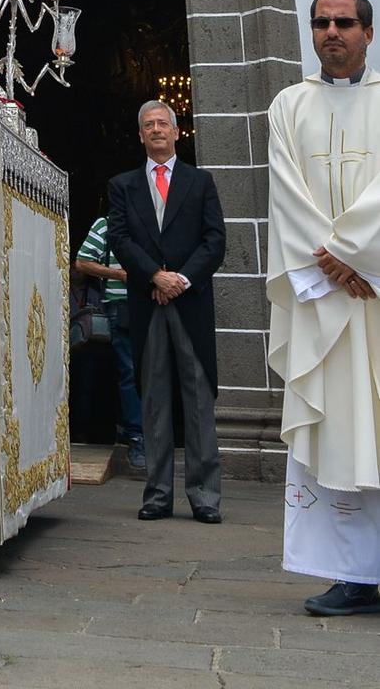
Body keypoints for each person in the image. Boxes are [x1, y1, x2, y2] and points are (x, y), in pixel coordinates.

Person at [267, 0, 380, 616]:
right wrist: (333, 263)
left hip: (375, 295)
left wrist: (360, 258)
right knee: (338, 431)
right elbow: (285, 191)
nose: (331, 32)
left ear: (368, 32)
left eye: (344, 22)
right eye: (321, 23)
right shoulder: (289, 105)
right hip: (326, 300)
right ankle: (354, 574)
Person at [109, 101, 226, 524]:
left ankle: (205, 496)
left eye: (163, 123)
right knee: (154, 399)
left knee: (198, 399)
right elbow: (120, 239)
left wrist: (179, 280)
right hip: (147, 302)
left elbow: (215, 241)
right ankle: (157, 494)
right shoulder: (123, 186)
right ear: (140, 136)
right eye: (148, 125)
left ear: (177, 132)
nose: (156, 130)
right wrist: (154, 277)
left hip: (190, 303)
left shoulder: (200, 182)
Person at [73, 209, 145, 471]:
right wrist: (121, 275)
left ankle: (150, 434)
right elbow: (82, 262)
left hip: (155, 303)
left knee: (155, 371)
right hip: (121, 305)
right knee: (130, 371)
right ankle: (137, 436)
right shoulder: (107, 223)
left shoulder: (157, 219)